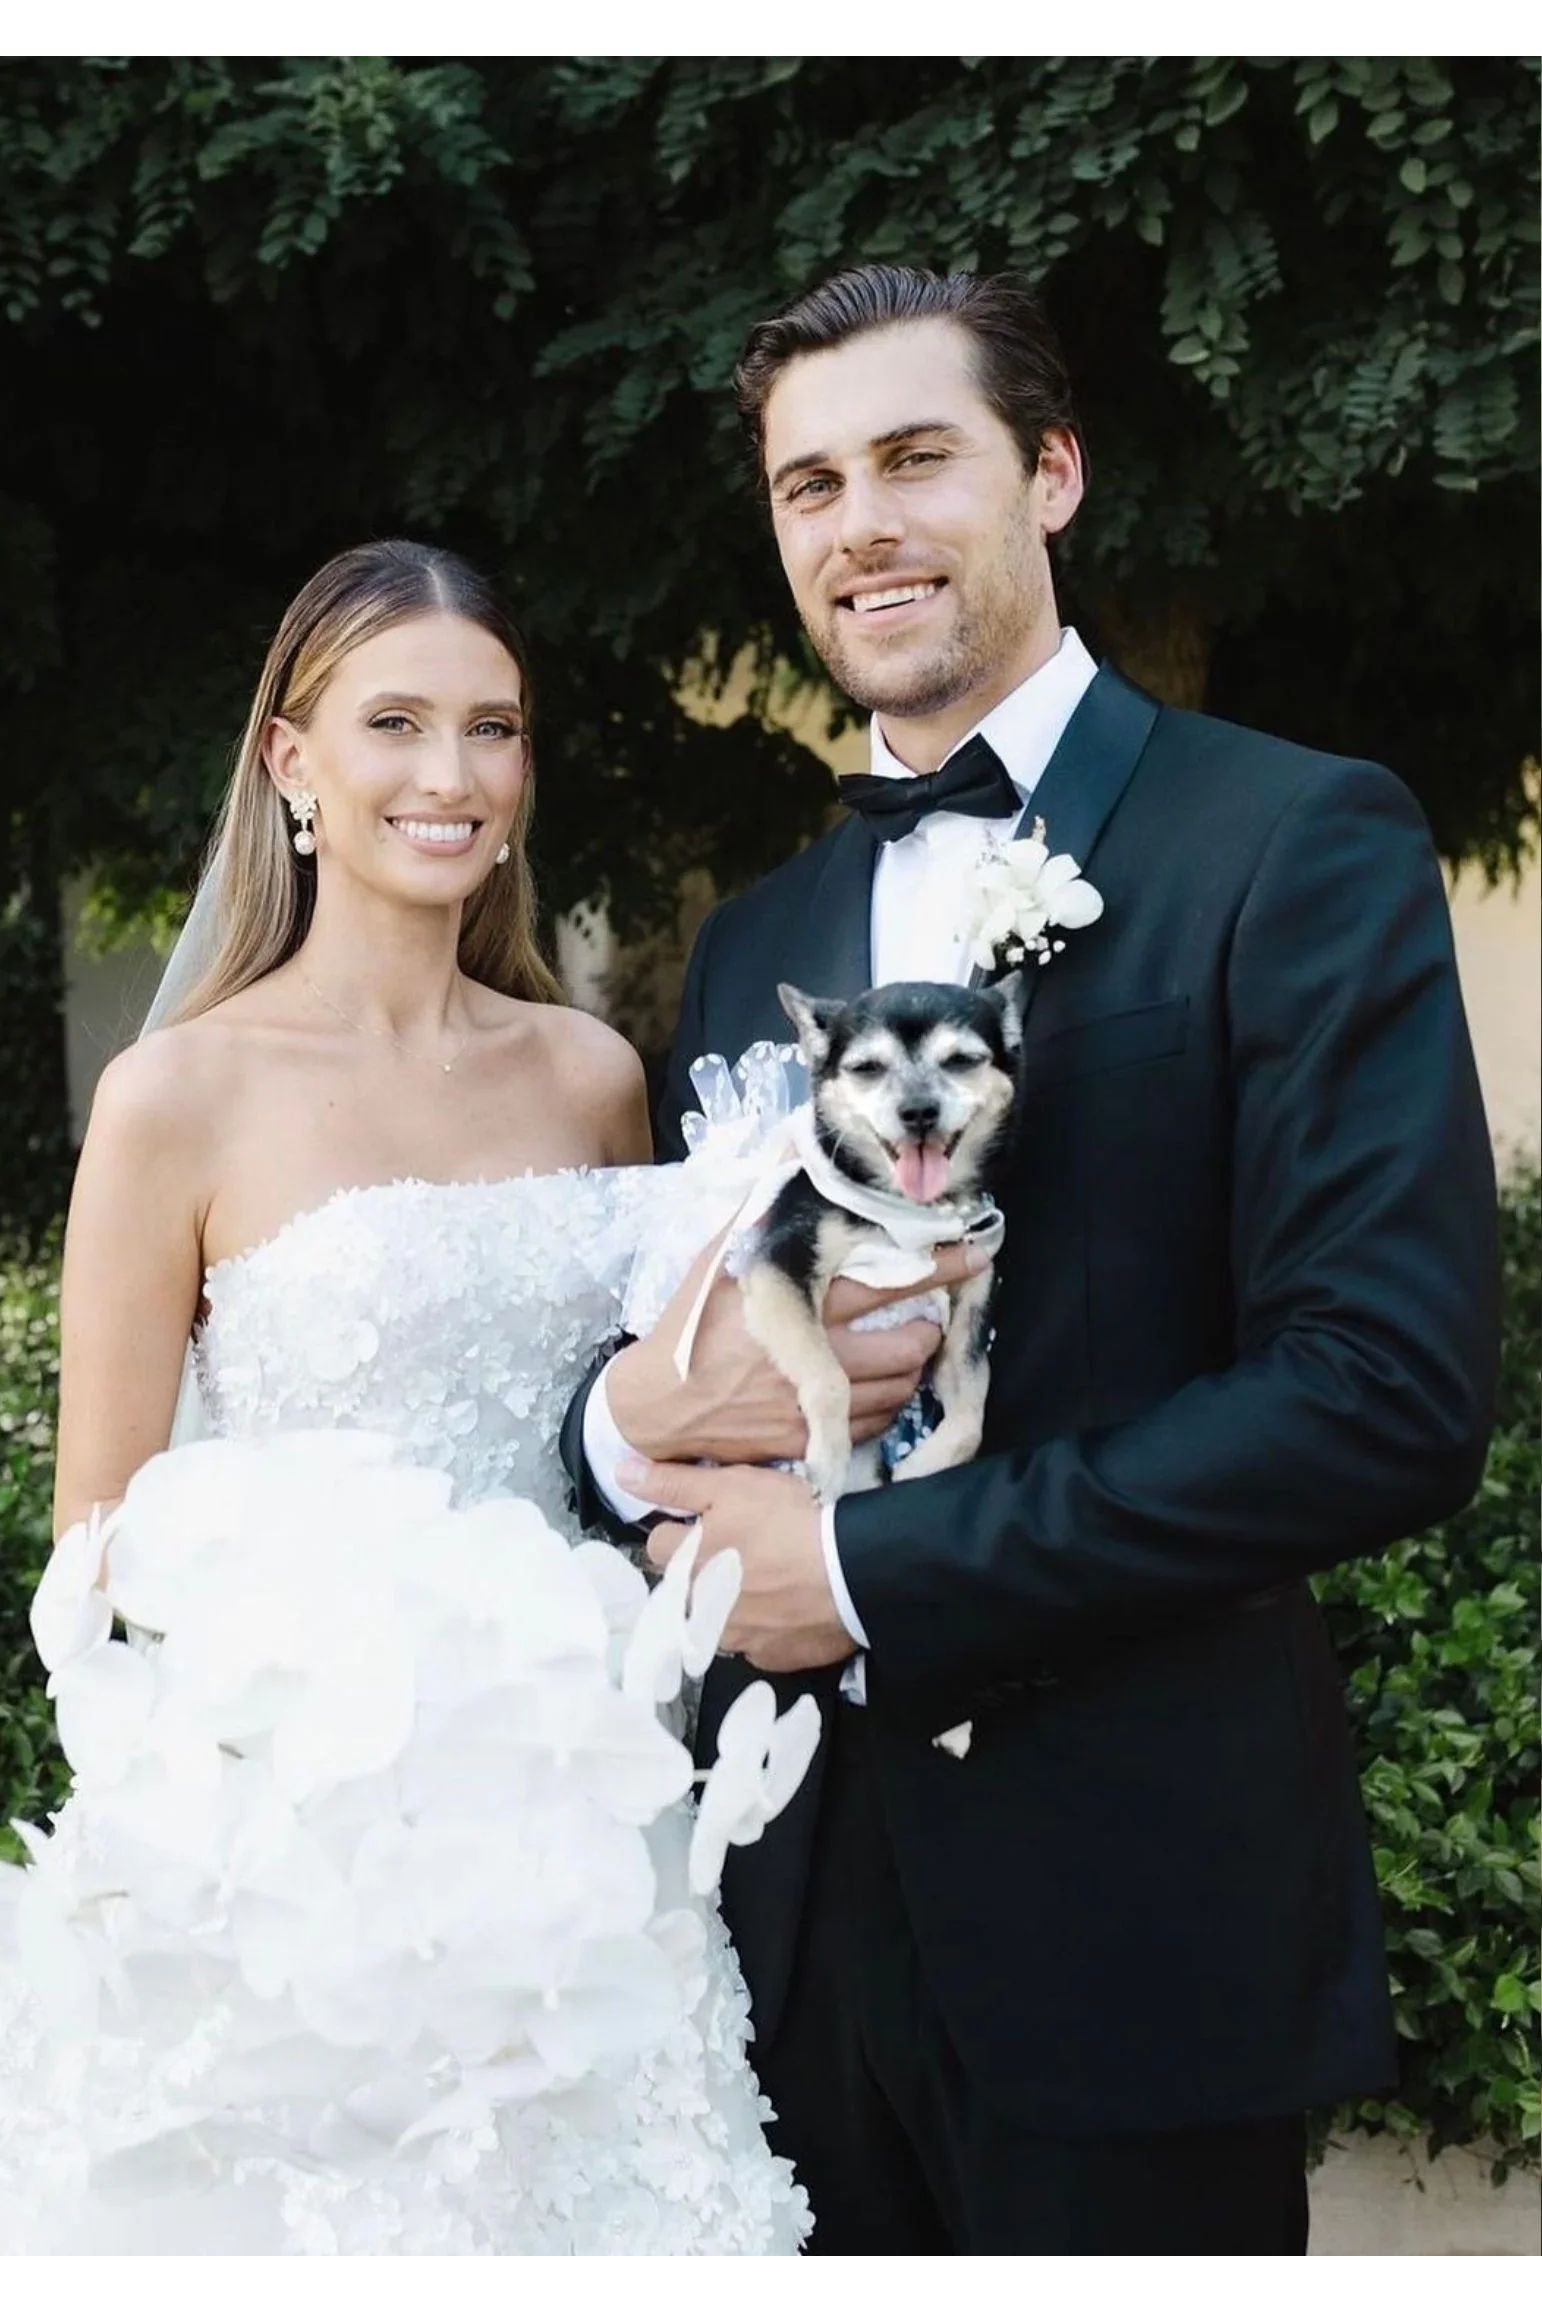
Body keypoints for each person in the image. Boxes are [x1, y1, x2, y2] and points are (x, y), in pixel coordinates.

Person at [563, 265, 1501, 2255]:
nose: (859, 525)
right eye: (810, 485)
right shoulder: (749, 946)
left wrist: (878, 1575)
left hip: (1133, 1921)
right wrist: (616, 1425)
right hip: (781, 1930)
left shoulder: (1293, 839)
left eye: (916, 459)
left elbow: (1385, 1396)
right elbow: (676, 1367)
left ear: (1051, 473)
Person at [2, 539, 811, 2254]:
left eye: (491, 728)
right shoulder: (177, 1098)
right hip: (301, 1875)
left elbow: (646, 1430)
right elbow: (94, 1561)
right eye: (394, 723)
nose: (450, 777)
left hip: (599, 1834)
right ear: (292, 759)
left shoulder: (591, 1078)